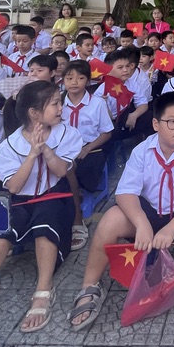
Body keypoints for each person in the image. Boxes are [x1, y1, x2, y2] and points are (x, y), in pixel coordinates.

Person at [68, 93, 174, 331]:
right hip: (149, 211)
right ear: (156, 124)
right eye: (172, 122)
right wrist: (141, 223)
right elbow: (125, 191)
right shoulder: (142, 151)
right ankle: (90, 287)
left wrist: (171, 229)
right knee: (110, 219)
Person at [0, 80, 83, 345]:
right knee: (2, 233)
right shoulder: (10, 145)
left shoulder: (67, 133)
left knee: (46, 226)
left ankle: (43, 289)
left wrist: (45, 149)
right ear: (34, 113)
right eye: (55, 103)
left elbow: (61, 171)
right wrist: (31, 155)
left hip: (55, 196)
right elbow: (15, 187)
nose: (61, 108)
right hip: (20, 200)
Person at [60, 60, 113, 250]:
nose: (74, 82)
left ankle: (77, 213)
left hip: (90, 148)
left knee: (81, 165)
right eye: (69, 78)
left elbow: (106, 133)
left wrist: (88, 148)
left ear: (88, 81)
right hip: (62, 149)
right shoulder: (57, 102)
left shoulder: (97, 103)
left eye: (80, 78)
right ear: (63, 80)